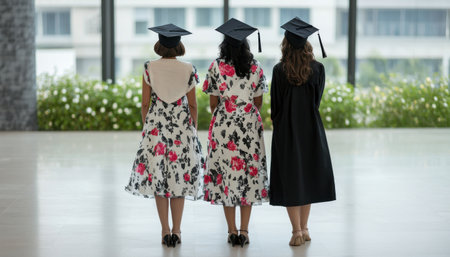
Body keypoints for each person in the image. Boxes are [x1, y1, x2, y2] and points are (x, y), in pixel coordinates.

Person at [124, 24, 204, 248]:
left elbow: (145, 103)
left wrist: (147, 125)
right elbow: (193, 104)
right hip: (182, 129)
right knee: (178, 179)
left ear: (159, 44)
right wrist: (193, 129)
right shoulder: (189, 68)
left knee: (160, 179)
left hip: (156, 129)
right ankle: (177, 231)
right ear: (179, 44)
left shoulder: (149, 67)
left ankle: (165, 231)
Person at [269, 17, 336, 246]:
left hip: (287, 130)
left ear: (286, 44)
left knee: (291, 179)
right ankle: (305, 228)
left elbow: (275, 105)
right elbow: (316, 101)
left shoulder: (279, 71)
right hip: (310, 128)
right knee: (306, 177)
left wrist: (280, 123)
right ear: (307, 44)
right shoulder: (318, 69)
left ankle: (296, 231)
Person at [202, 18, 269, 247]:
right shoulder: (256, 67)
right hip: (249, 124)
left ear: (225, 45)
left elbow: (213, 103)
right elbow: (259, 101)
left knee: (226, 176)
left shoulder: (215, 67)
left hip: (223, 126)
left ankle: (231, 231)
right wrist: (245, 112)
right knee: (248, 175)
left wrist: (227, 114)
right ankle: (245, 231)